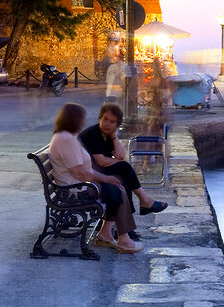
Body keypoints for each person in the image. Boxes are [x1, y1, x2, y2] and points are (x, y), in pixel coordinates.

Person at [49, 103, 143, 253]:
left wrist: (107, 179)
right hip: (74, 189)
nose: (83, 122)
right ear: (74, 119)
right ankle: (124, 240)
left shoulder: (66, 137)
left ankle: (108, 234)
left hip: (77, 185)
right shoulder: (66, 139)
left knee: (117, 187)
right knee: (116, 191)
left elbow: (85, 169)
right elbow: (80, 172)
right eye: (81, 118)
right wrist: (105, 179)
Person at [79, 102, 168, 241]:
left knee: (124, 180)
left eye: (112, 122)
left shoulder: (107, 135)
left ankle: (129, 226)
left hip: (96, 173)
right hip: (87, 178)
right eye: (105, 119)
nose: (107, 123)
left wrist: (114, 136)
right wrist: (120, 162)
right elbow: (102, 161)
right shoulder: (93, 133)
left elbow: (120, 155)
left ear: (116, 125)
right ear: (100, 118)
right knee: (124, 168)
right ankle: (144, 203)